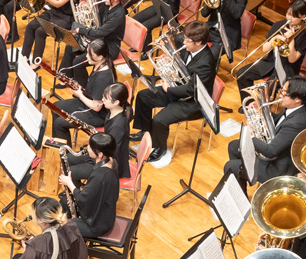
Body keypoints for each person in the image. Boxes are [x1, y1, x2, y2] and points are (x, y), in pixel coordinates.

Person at [131, 21, 216, 162]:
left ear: (199, 42)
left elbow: (191, 89)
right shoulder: (189, 47)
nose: (183, 42)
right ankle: (146, 131)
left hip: (193, 101)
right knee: (143, 96)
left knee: (159, 119)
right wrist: (169, 58)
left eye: (187, 41)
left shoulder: (206, 63)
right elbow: (182, 66)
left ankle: (160, 148)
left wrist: (168, 89)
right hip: (178, 89)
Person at [225, 76, 306, 193]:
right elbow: (281, 121)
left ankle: (241, 186)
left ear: (297, 99)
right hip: (281, 154)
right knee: (233, 146)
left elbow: (270, 151)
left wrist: (251, 136)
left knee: (230, 166)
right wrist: (260, 110)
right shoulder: (301, 108)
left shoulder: (297, 123)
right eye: (282, 91)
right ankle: (242, 183)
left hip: (278, 168)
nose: (280, 95)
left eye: (284, 93)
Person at [235, 0, 306, 103]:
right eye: (288, 14)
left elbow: (292, 59)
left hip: (287, 68)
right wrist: (275, 39)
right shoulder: (279, 25)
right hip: (270, 62)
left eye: (294, 16)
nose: (289, 18)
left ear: (303, 16)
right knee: (241, 74)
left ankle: (262, 110)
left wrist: (291, 40)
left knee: (267, 90)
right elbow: (265, 49)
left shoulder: (305, 34)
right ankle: (249, 105)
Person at [63, 83, 132, 184]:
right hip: (101, 154)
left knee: (70, 172)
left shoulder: (118, 126)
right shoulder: (112, 112)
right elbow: (108, 138)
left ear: (116, 102)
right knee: (67, 159)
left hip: (108, 164)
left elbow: (111, 151)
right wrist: (96, 136)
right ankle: (79, 189)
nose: (102, 99)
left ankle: (80, 192)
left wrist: (94, 142)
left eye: (106, 98)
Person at [50, 39, 117, 144]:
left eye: (90, 55)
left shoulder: (103, 78)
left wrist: (80, 95)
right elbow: (93, 91)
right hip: (88, 104)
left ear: (100, 57)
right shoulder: (99, 65)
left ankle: (65, 152)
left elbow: (97, 107)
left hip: (96, 115)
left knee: (59, 123)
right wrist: (80, 89)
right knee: (55, 107)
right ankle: (57, 144)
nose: (86, 56)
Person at [59, 0, 126, 86]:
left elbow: (100, 32)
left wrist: (81, 30)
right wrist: (87, 8)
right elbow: (96, 18)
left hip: (109, 48)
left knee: (77, 63)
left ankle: (82, 88)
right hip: (98, 41)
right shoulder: (107, 5)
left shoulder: (118, 15)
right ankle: (66, 77)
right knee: (70, 47)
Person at [58, 132, 119, 238]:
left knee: (61, 227)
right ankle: (72, 235)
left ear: (100, 154)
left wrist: (69, 183)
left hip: (97, 225)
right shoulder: (111, 161)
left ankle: (72, 242)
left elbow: (83, 198)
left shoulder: (101, 175)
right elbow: (97, 191)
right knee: (64, 201)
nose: (87, 148)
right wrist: (81, 192)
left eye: (90, 147)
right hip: (101, 211)